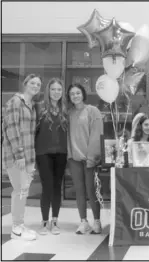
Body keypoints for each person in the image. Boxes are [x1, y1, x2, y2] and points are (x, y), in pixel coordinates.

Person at [2, 74, 42, 240]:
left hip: (28, 155)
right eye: (32, 83)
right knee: (19, 191)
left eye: (38, 84)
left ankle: (20, 224)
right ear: (25, 84)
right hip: (17, 155)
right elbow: (12, 128)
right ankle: (16, 228)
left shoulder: (31, 105)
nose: (35, 86)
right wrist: (19, 154)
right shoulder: (15, 102)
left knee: (23, 191)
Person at [66, 83, 104, 235]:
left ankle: (97, 221)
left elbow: (96, 135)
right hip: (74, 158)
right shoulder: (68, 113)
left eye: (78, 93)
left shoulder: (93, 111)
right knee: (79, 191)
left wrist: (92, 157)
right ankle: (83, 221)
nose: (75, 96)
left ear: (83, 94)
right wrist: (69, 155)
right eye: (72, 94)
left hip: (89, 159)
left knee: (92, 190)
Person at [35, 78, 68, 235]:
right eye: (53, 89)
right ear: (48, 91)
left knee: (57, 187)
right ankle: (44, 222)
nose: (56, 92)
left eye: (59, 90)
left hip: (61, 153)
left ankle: (54, 221)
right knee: (47, 186)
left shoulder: (65, 110)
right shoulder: (39, 108)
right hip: (43, 153)